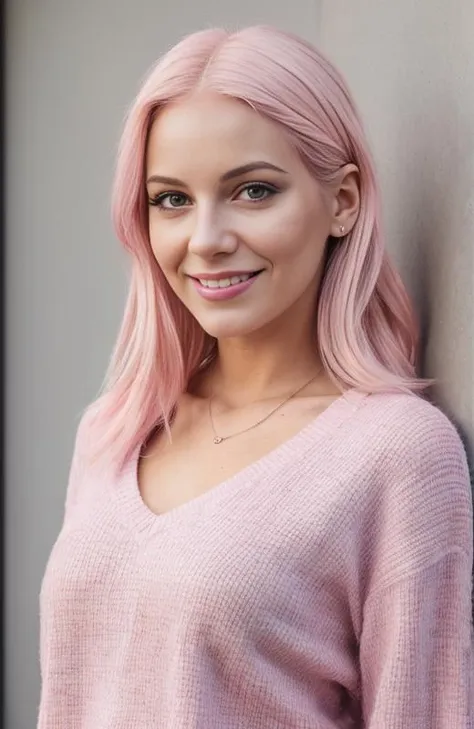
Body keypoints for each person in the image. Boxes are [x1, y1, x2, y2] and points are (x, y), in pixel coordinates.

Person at [38, 25, 473, 729]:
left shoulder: (400, 454)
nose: (205, 239)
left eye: (253, 191)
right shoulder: (114, 429)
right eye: (171, 199)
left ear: (344, 201)